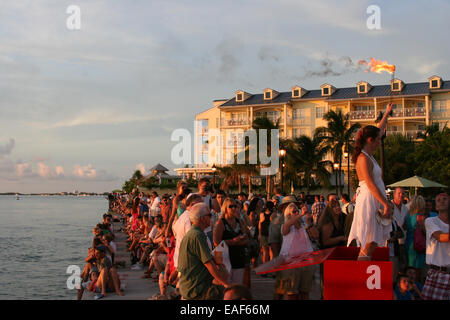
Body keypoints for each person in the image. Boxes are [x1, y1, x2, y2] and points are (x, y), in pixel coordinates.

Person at [347, 104, 394, 260]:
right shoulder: (362, 158)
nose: (379, 142)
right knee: (369, 240)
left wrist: (386, 114)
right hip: (369, 199)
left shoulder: (368, 155)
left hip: (373, 198)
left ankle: (363, 268)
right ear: (369, 140)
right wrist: (385, 203)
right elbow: (370, 183)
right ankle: (360, 271)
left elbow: (378, 129)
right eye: (377, 140)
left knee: (372, 242)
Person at [177, 203, 230, 300]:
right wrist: (225, 283)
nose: (211, 218)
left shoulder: (193, 233)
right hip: (196, 289)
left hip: (190, 286)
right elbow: (208, 263)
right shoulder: (197, 235)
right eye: (209, 215)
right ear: (202, 219)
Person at [275, 202, 316, 300]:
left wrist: (309, 223)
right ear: (289, 214)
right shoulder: (286, 226)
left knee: (305, 292)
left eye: (297, 211)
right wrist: (301, 214)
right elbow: (286, 227)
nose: (297, 213)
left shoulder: (303, 225)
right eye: (294, 212)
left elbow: (316, 235)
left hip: (306, 262)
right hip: (291, 264)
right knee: (291, 293)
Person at [213, 198, 250, 284]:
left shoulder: (239, 222)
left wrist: (237, 242)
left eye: (235, 206)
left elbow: (247, 238)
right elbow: (216, 242)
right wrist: (233, 242)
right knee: (226, 287)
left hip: (239, 259)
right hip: (225, 261)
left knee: (237, 286)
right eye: (231, 206)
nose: (234, 208)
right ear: (225, 208)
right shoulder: (221, 223)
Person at [422, 193, 449, 300]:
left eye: (445, 199)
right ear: (436, 207)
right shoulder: (430, 221)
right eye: (438, 200)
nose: (442, 201)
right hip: (437, 273)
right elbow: (440, 237)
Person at [404, 195, 426, 279]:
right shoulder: (420, 217)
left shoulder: (408, 216)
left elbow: (404, 227)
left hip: (408, 243)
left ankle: (408, 285)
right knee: (417, 270)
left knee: (409, 268)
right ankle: (415, 286)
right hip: (417, 245)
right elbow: (426, 232)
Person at [389, 187, 409, 281]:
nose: (401, 195)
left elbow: (404, 225)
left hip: (403, 241)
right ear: (394, 194)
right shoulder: (389, 206)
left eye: (403, 193)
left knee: (401, 267)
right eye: (399, 193)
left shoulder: (406, 208)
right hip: (391, 245)